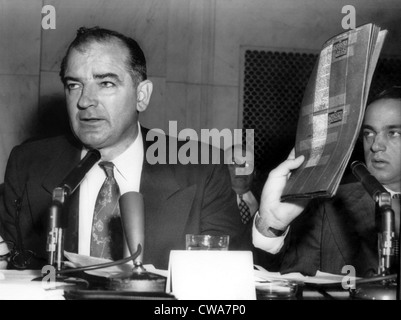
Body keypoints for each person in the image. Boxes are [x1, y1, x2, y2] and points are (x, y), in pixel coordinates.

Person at [0, 26, 250, 270]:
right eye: (74, 85)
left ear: (142, 95)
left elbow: (231, 280)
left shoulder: (200, 168)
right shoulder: (27, 165)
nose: (85, 100)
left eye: (106, 83)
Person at [253, 86, 401, 277]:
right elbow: (285, 281)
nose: (375, 145)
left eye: (393, 133)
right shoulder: (330, 206)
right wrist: (271, 225)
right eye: (368, 134)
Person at [224, 144, 259, 224]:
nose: (241, 169)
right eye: (233, 163)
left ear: (255, 172)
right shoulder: (210, 202)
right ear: (222, 168)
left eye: (248, 164)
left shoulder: (266, 200)